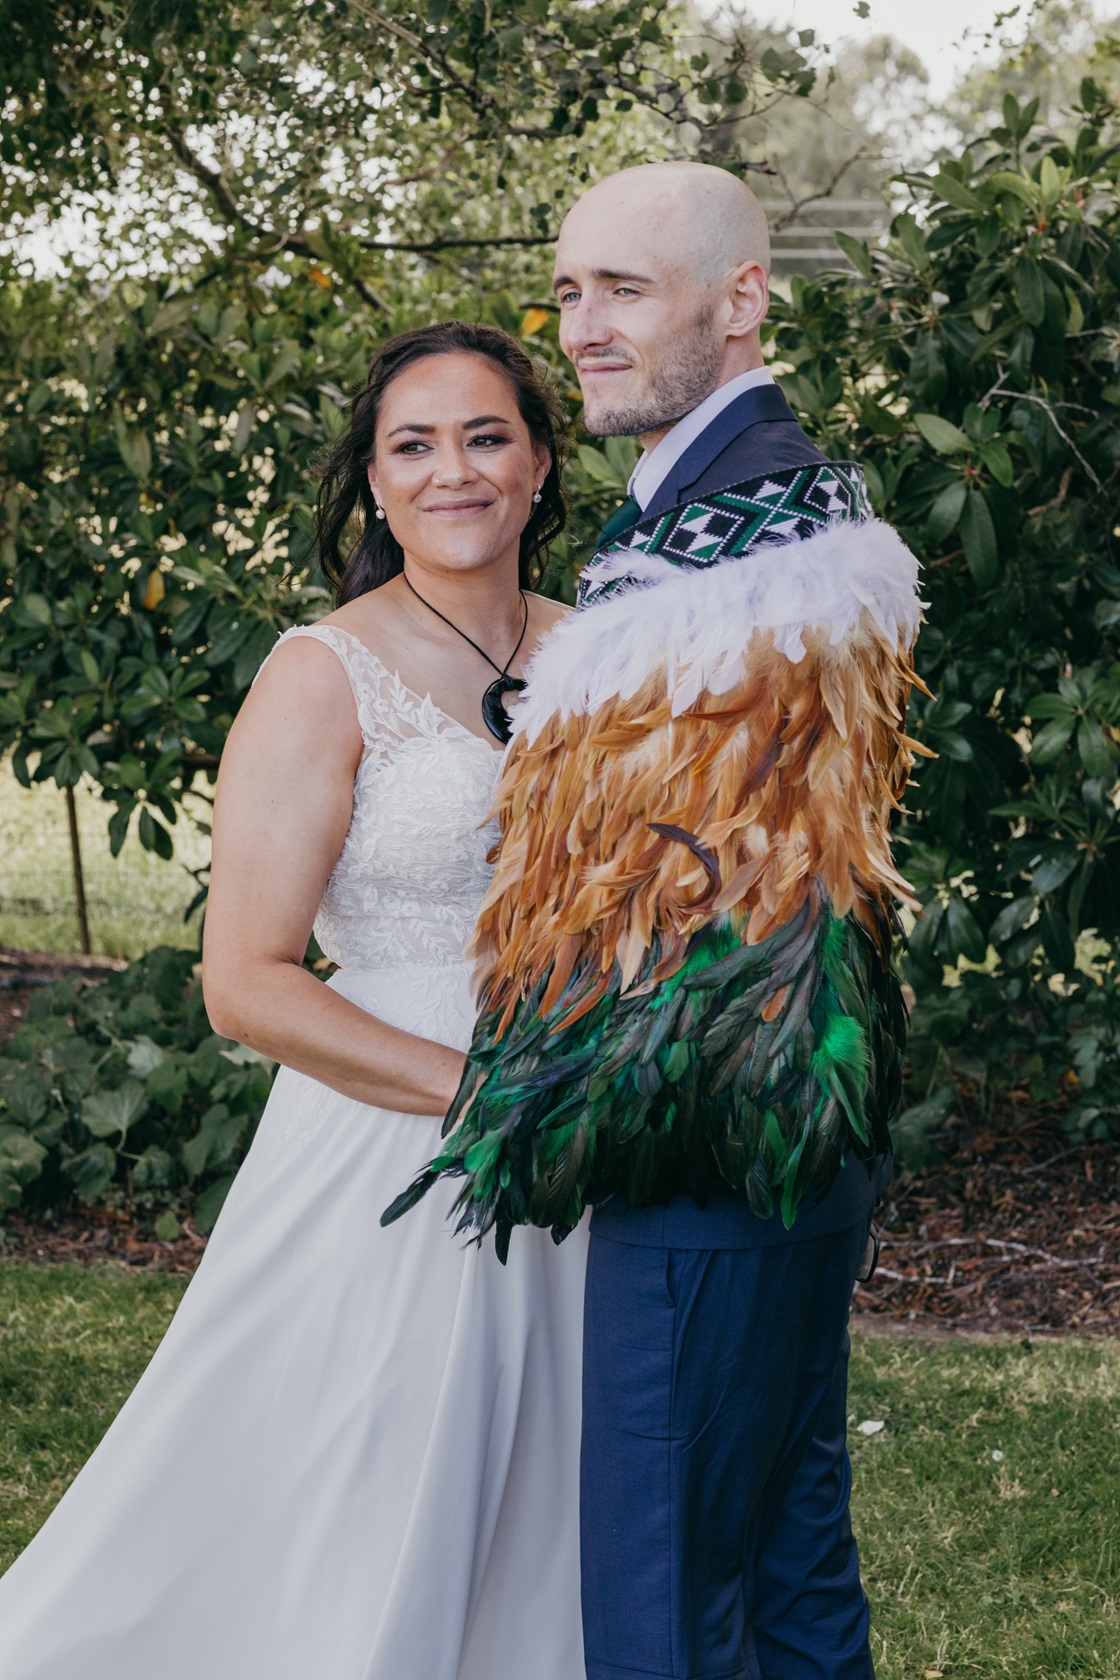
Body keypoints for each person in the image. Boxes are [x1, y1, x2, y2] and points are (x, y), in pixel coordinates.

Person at [386, 163, 922, 1680]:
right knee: (784, 1553)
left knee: (661, 1582)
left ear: (740, 298)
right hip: (795, 1127)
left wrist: (543, 1102)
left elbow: (673, 902)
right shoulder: (734, 505)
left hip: (709, 1134)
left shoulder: (744, 542)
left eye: (625, 287)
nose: (585, 326)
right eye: (569, 292)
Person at [0, 322, 587, 1680]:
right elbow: (246, 985)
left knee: (548, 1499)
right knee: (358, 1496)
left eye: (487, 436)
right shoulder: (323, 672)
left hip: (584, 1123)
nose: (456, 471)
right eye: (414, 445)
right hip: (396, 1131)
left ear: (543, 465)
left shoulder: (600, 655)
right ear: (374, 486)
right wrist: (488, 1098)